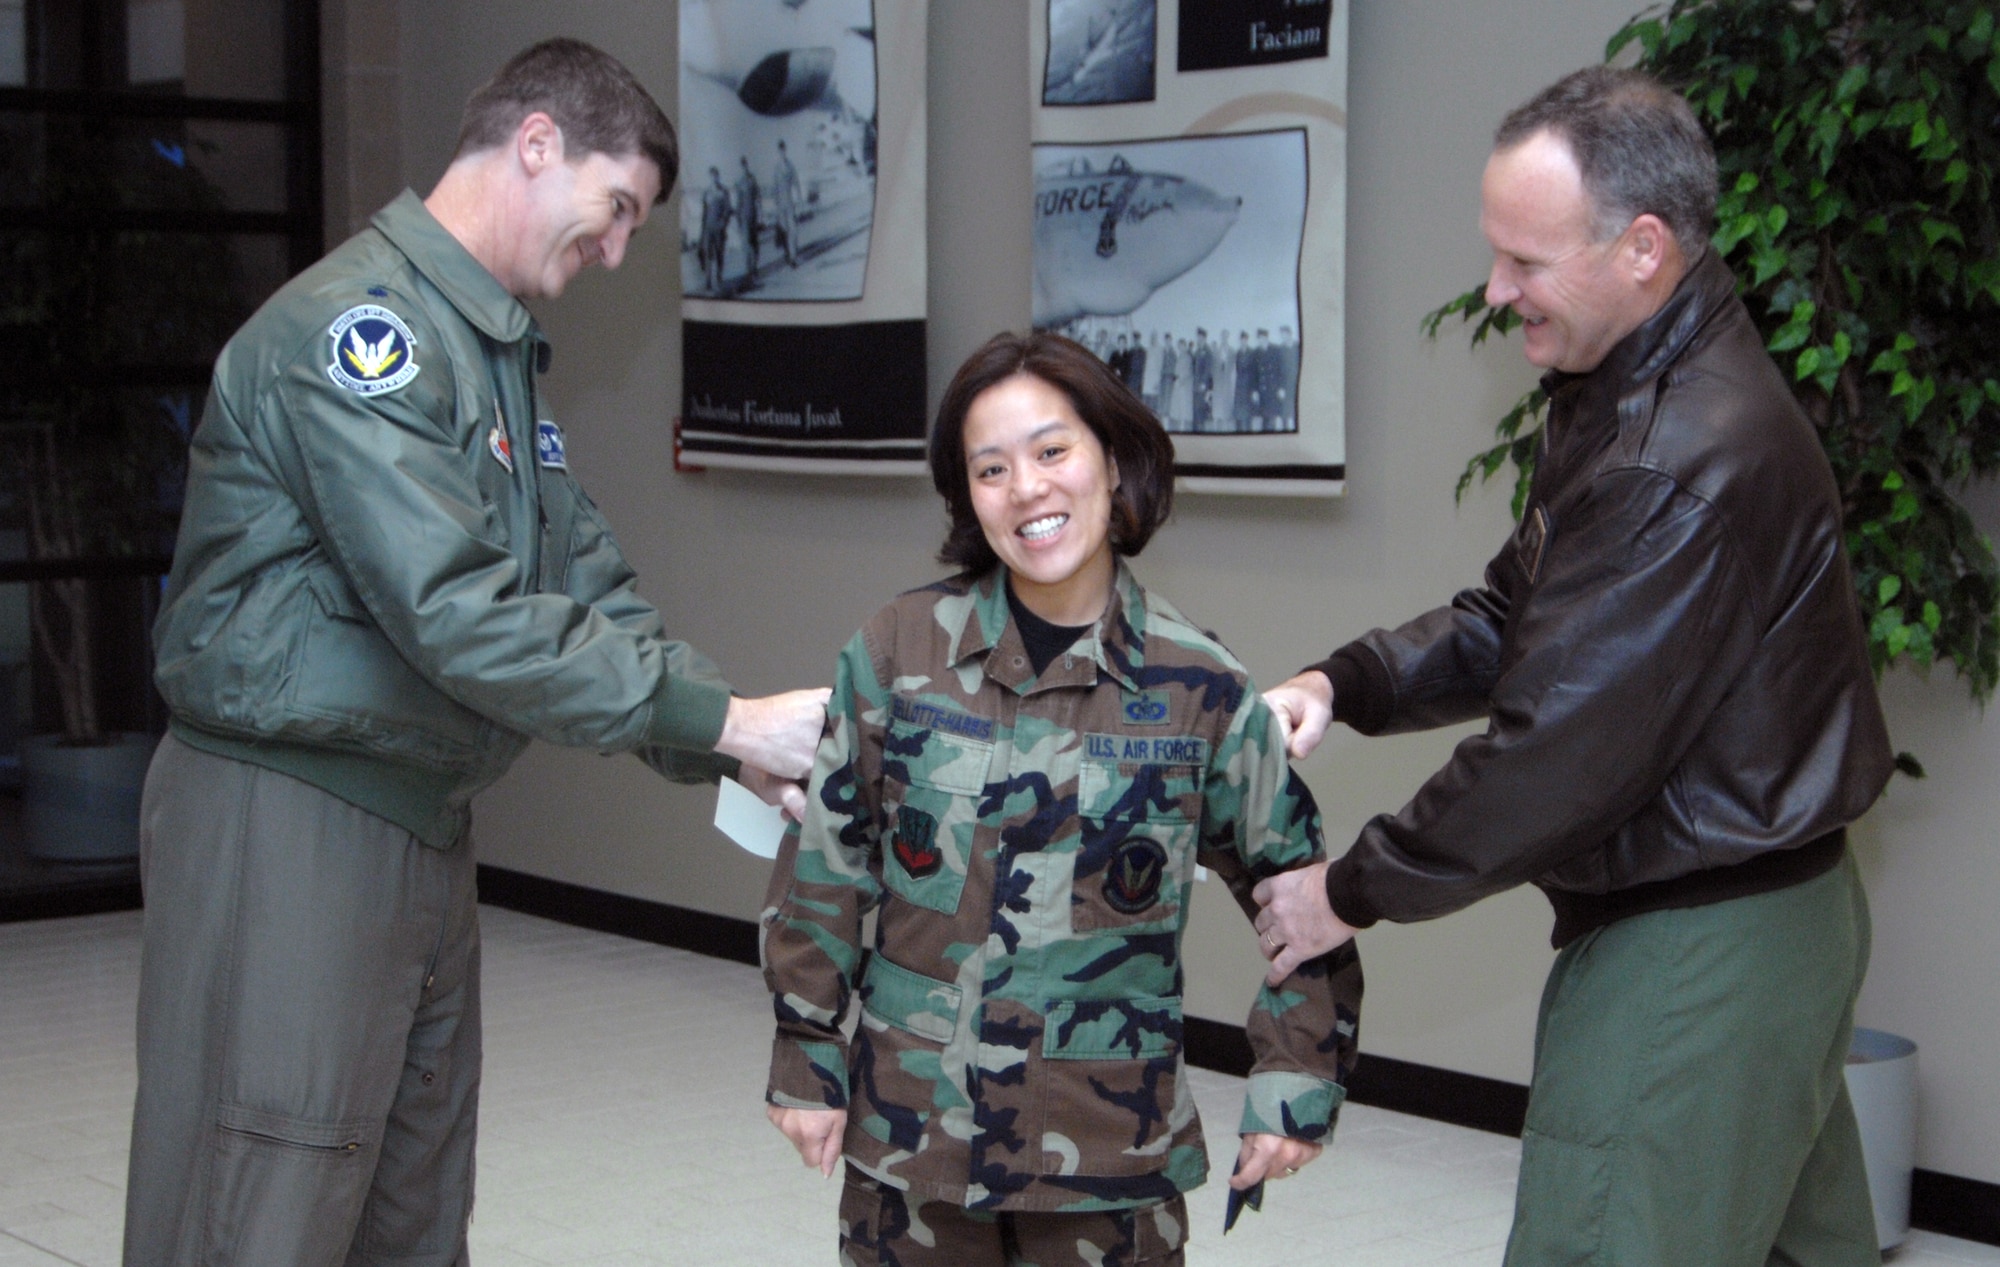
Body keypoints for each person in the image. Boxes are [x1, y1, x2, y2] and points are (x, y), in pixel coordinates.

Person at [127, 38, 829, 1266]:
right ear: (537, 143)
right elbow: (458, 610)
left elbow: (587, 587)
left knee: (410, 1201)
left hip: (421, 824)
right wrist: (724, 723)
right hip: (291, 818)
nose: (616, 254)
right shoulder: (357, 337)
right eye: (616, 211)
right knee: (268, 1191)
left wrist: (731, 746)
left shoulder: (489, 356)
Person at [1252, 67, 1891, 1266]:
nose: (1495, 292)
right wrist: (1345, 682)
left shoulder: (1670, 455)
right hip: (1776, 920)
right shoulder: (1620, 396)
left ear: (1642, 247)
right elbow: (1515, 614)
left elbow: (1552, 755)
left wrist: (1344, 890)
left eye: (1524, 263)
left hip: (1693, 956)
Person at [761, 330, 1361, 1266]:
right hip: (917, 1151)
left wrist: (1295, 1080)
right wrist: (806, 1052)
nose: (1027, 489)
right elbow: (828, 864)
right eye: (990, 468)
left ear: (1112, 462)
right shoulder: (898, 653)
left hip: (1109, 1166)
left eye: (1051, 451)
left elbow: (1302, 896)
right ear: (968, 497)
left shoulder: (1200, 686)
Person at [699, 164, 732, 292]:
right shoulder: (706, 193)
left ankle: (718, 278)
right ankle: (708, 281)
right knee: (708, 254)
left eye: (716, 176)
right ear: (710, 177)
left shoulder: (723, 192)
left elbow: (728, 210)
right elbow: (704, 213)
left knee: (719, 254)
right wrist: (702, 232)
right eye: (712, 176)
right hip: (708, 228)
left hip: (719, 229)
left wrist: (723, 223)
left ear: (718, 177)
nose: (714, 178)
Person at [772, 137, 803, 267]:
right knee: (784, 231)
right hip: (781, 206)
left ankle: (793, 257)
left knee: (793, 230)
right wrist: (776, 205)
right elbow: (774, 188)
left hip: (790, 203)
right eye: (780, 151)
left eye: (783, 150)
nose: (782, 153)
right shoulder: (776, 168)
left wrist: (800, 199)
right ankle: (788, 254)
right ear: (778, 153)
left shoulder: (790, 166)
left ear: (786, 151)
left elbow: (796, 182)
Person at [735, 153, 763, 281]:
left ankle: (755, 267)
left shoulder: (753, 180)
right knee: (747, 245)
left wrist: (760, 215)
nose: (744, 168)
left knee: (755, 244)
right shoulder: (739, 183)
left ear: (747, 166)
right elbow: (738, 202)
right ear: (740, 168)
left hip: (753, 217)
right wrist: (738, 220)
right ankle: (749, 270)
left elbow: (758, 198)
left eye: (745, 165)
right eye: (742, 166)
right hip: (744, 218)